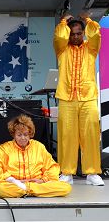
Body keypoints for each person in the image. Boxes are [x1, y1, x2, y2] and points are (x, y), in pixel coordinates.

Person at [54, 12, 104, 186]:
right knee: (67, 135)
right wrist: (63, 22)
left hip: (88, 97)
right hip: (67, 98)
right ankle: (67, 172)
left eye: (78, 33)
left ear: (83, 33)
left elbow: (96, 34)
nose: (75, 36)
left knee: (90, 134)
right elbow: (59, 36)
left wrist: (88, 20)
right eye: (72, 34)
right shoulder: (61, 49)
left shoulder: (91, 48)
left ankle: (92, 172)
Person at [0, 114, 72, 198]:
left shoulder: (39, 147)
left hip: (37, 183)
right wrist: (14, 180)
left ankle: (25, 191)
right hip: (15, 183)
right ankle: (34, 191)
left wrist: (43, 180)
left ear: (30, 134)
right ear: (13, 135)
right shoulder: (5, 148)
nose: (23, 138)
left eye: (25, 135)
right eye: (19, 135)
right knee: (1, 188)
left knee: (66, 188)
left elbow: (52, 167)